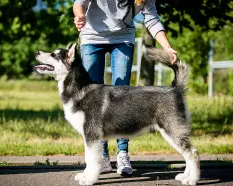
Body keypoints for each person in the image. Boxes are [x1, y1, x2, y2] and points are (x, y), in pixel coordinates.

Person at [73, 0, 177, 176]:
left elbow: (151, 19)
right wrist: (80, 15)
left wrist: (167, 47)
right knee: (93, 101)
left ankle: (122, 153)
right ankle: (102, 157)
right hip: (92, 35)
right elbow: (79, 2)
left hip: (123, 37)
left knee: (122, 96)